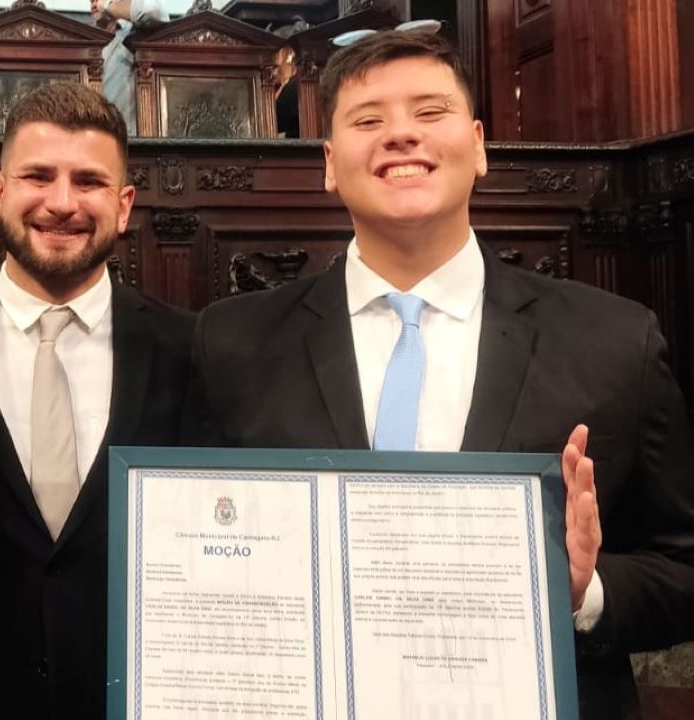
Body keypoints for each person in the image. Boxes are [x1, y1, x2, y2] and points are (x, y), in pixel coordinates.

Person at [182, 30, 694, 720]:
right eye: (367, 121)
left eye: (429, 113)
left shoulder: (613, 340)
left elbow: (681, 568)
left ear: (478, 144)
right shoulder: (233, 343)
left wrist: (581, 590)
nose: (400, 136)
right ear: (330, 163)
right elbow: (197, 556)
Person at [0, 82, 194, 719]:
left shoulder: (193, 351)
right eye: (39, 176)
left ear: (123, 205)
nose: (62, 203)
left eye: (88, 181)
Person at [91, 0, 167, 135]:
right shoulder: (85, 37)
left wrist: (107, 6)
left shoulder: (134, 31)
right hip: (92, 138)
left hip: (130, 142)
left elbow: (152, 12)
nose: (94, 3)